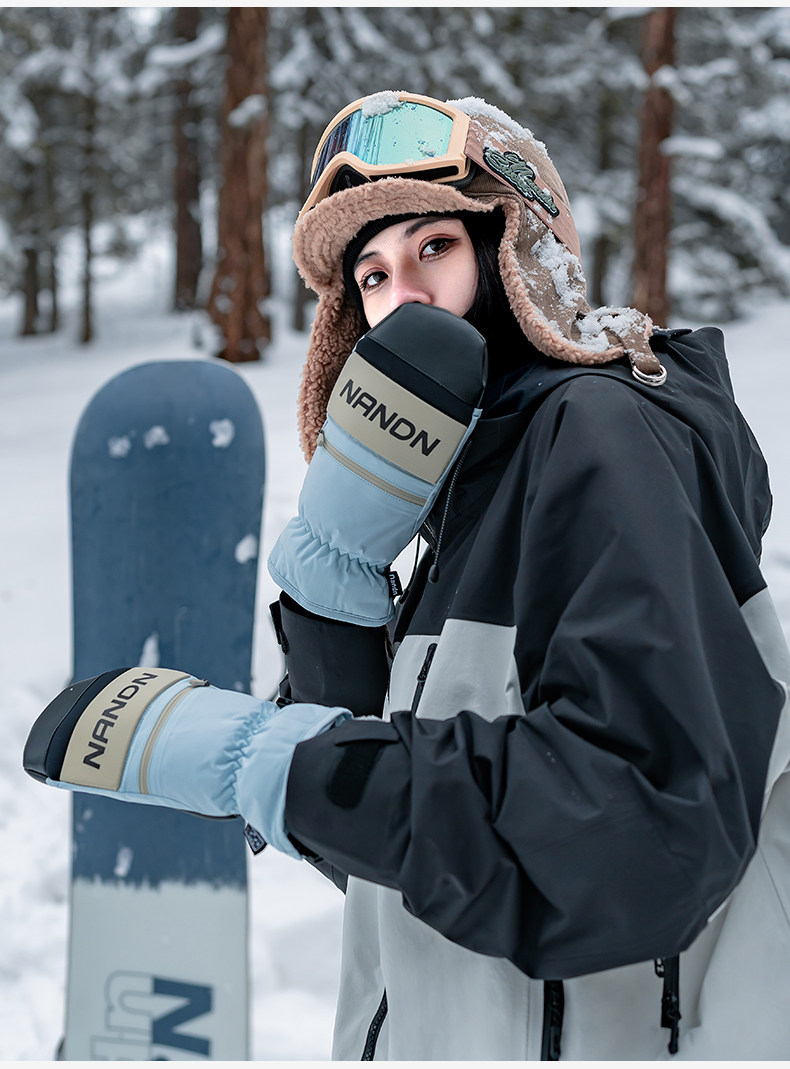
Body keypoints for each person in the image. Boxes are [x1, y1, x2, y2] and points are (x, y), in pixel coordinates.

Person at [25, 92, 790, 1060]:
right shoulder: (471, 492)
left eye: (436, 245)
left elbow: (637, 836)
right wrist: (333, 597)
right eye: (375, 275)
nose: (406, 295)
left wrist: (269, 760)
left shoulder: (599, 433)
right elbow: (424, 872)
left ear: (516, 252)